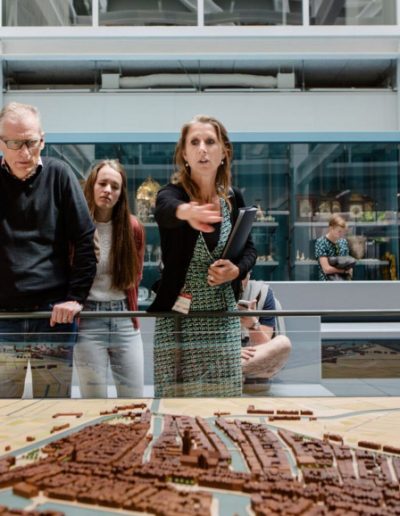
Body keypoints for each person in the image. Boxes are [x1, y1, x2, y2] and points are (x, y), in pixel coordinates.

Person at [148, 114, 257, 397]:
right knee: (177, 403)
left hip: (222, 315)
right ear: (184, 154)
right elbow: (164, 208)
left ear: (224, 152)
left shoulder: (234, 199)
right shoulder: (172, 194)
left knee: (224, 402)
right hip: (179, 318)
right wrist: (187, 212)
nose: (202, 149)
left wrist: (236, 270)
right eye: (194, 142)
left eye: (210, 141)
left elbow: (249, 249)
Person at [0, 101, 96, 398]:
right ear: (1, 141)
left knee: (52, 407)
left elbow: (85, 240)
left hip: (54, 317)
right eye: (14, 143)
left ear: (43, 139)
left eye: (31, 142)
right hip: (4, 319)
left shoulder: (60, 174)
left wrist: (75, 298)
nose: (24, 153)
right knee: (4, 412)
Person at [74, 160, 145, 398]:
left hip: (125, 318)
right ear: (92, 185)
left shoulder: (132, 227)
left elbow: (136, 273)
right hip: (88, 320)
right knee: (93, 402)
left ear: (121, 194)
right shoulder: (76, 225)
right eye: (102, 183)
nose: (108, 190)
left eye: (115, 186)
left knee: (134, 398)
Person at [239, 275, 292, 383]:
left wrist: (252, 325)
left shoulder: (262, 292)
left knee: (283, 343)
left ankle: (235, 370)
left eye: (243, 275)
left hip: (248, 359)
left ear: (249, 273)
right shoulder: (207, 292)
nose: (238, 281)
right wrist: (231, 352)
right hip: (221, 356)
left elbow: (264, 345)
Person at [315, 214, 351, 281]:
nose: (341, 234)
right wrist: (343, 271)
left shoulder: (343, 242)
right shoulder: (321, 242)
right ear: (331, 228)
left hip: (344, 283)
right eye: (339, 231)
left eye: (343, 232)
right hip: (327, 284)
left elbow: (348, 264)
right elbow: (326, 269)